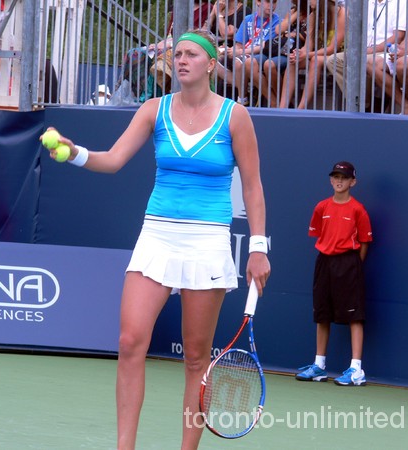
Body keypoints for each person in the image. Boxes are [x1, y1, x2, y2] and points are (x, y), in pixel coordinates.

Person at [41, 28, 270, 450]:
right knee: (130, 342)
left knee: (197, 359)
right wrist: (73, 152)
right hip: (157, 236)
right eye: (176, 53)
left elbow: (253, 187)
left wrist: (258, 247)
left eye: (190, 54)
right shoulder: (154, 109)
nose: (181, 60)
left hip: (208, 241)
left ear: (211, 64)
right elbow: (111, 160)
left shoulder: (235, 116)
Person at [296, 161, 372, 386]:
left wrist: (352, 266)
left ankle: (356, 369)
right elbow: (319, 234)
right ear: (331, 180)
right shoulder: (321, 207)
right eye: (335, 176)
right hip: (324, 264)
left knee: (354, 316)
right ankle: (319, 366)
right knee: (322, 314)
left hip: (349, 264)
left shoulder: (358, 210)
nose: (339, 181)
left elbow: (365, 243)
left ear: (353, 182)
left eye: (344, 177)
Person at [326, 0, 408, 112]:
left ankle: (366, 103)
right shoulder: (367, 3)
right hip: (364, 50)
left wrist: (371, 50)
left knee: (367, 62)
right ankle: (362, 101)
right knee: (333, 60)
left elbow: (398, 37)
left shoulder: (402, 3)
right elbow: (358, 30)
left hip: (385, 51)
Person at [279, 0, 346, 109]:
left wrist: (306, 54)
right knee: (293, 61)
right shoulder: (313, 16)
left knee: (316, 60)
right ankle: (282, 107)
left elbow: (332, 49)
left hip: (338, 55)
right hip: (318, 54)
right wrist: (300, 53)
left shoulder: (342, 14)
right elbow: (308, 46)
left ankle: (301, 108)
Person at [226, 0, 281, 105]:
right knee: (216, 60)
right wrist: (231, 50)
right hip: (246, 53)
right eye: (268, 2)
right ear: (258, 2)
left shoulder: (277, 21)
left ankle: (243, 99)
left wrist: (240, 52)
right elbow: (239, 43)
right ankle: (244, 94)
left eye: (274, 2)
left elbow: (265, 46)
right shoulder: (248, 19)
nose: (271, 5)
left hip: (263, 54)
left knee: (240, 63)